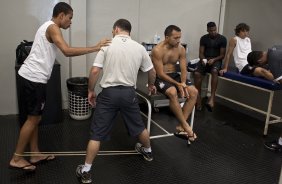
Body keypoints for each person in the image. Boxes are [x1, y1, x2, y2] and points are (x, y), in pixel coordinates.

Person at [9, 2, 110, 171]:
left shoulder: (47, 27)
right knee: (33, 119)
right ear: (61, 15)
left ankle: (34, 153)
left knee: (34, 118)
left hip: (31, 77)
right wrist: (95, 48)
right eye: (70, 18)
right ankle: (17, 158)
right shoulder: (52, 27)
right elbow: (67, 50)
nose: (71, 22)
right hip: (33, 79)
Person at [76, 19, 156, 184]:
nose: (112, 33)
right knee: (139, 126)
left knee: (97, 134)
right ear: (129, 31)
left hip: (109, 94)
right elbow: (152, 71)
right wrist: (151, 85)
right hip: (128, 94)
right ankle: (147, 151)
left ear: (116, 29)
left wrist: (91, 90)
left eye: (113, 31)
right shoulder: (140, 48)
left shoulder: (107, 45)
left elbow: (95, 70)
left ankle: (86, 171)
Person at [151, 25, 198, 141]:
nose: (178, 40)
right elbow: (160, 73)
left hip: (175, 76)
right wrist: (177, 85)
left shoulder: (181, 49)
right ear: (167, 37)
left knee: (194, 92)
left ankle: (181, 126)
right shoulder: (157, 50)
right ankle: (186, 126)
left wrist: (183, 83)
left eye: (179, 37)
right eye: (175, 38)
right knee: (172, 92)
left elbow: (183, 68)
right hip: (161, 78)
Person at [194, 22, 227, 111]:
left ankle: (212, 98)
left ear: (216, 29)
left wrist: (214, 60)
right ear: (207, 30)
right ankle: (198, 98)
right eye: (211, 30)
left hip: (216, 60)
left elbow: (222, 55)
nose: (213, 32)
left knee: (215, 71)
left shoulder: (222, 39)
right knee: (197, 73)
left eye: (214, 30)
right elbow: (201, 53)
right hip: (205, 59)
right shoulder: (204, 38)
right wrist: (203, 59)